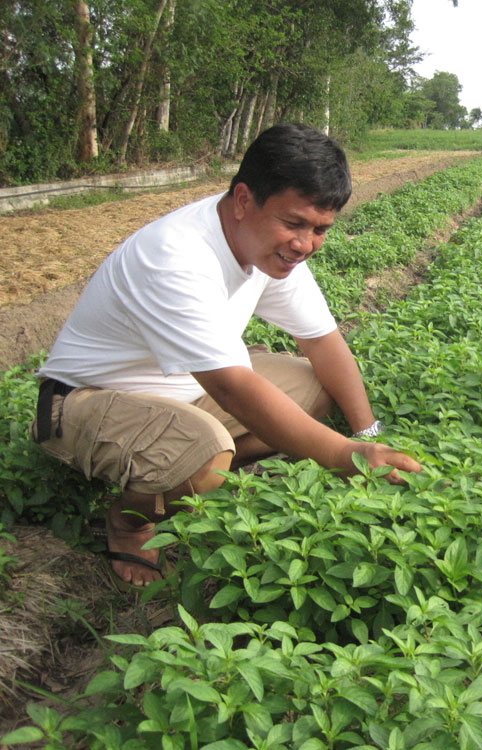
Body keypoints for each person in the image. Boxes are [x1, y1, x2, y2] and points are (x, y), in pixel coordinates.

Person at [32, 123, 422, 587]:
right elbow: (232, 385)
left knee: (316, 386)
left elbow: (323, 341)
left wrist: (368, 432)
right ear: (243, 201)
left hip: (183, 391)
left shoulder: (270, 248)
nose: (306, 244)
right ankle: (130, 521)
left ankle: (194, 472)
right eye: (294, 223)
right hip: (82, 402)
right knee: (204, 450)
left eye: (320, 229)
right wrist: (348, 456)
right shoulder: (176, 256)